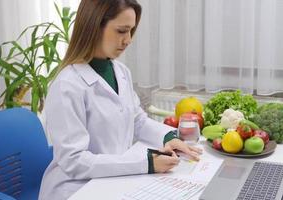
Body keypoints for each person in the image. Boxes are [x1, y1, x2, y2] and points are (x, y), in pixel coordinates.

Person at [38, 0, 202, 199]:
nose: (128, 40)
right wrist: (146, 163)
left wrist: (170, 137)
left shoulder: (120, 71)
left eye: (131, 31)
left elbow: (137, 120)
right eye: (121, 31)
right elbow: (74, 161)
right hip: (75, 188)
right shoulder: (67, 85)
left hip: (114, 178)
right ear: (93, 27)